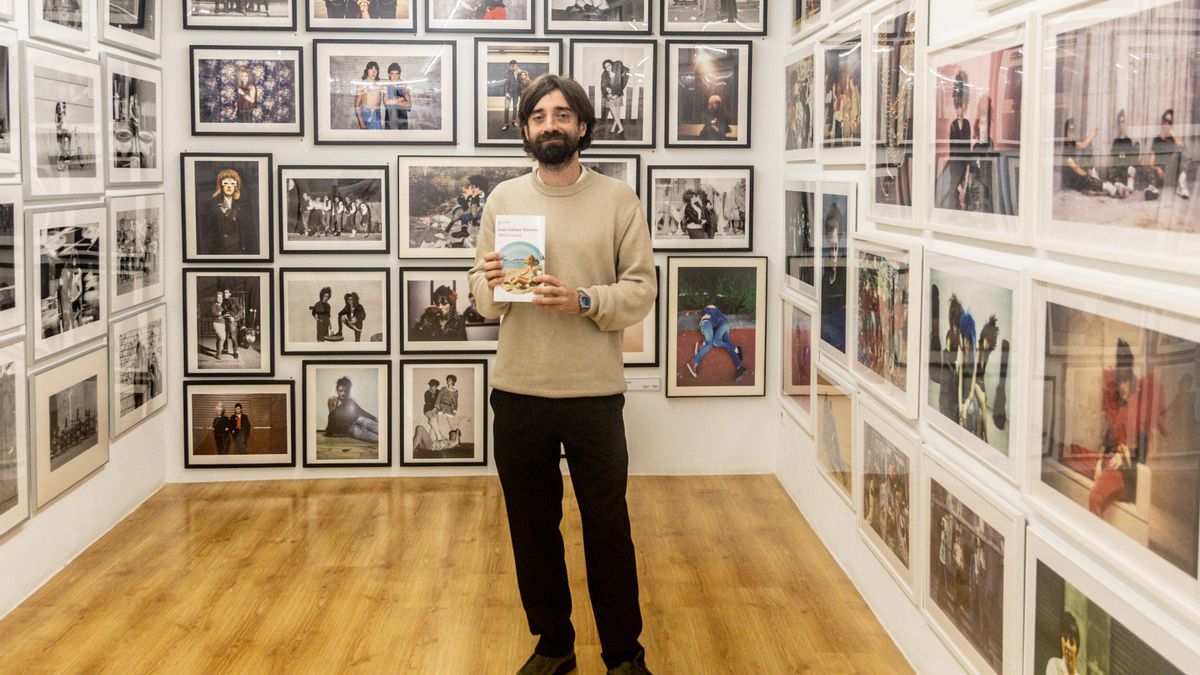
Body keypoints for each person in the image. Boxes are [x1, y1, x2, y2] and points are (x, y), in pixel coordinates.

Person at [467, 73, 656, 674]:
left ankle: (624, 656)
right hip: (518, 391)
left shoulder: (618, 200)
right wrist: (491, 284)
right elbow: (484, 297)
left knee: (608, 529)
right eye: (539, 116)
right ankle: (554, 646)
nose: (551, 124)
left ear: (582, 126)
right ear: (525, 129)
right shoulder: (503, 201)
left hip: (595, 395)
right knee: (532, 528)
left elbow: (641, 290)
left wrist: (583, 301)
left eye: (562, 114)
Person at [1087, 338, 1165, 516]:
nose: (1121, 386)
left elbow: (1141, 456)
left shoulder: (1141, 409)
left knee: (1096, 496)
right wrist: (1099, 462)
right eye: (1118, 382)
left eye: (1124, 381)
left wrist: (1123, 456)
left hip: (1125, 475)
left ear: (1132, 381)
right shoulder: (1118, 406)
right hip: (1108, 463)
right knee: (1068, 452)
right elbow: (1107, 441)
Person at [685, 302, 746, 382]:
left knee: (713, 342)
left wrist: (702, 318)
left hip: (720, 325)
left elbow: (702, 316)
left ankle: (694, 360)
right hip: (716, 324)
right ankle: (740, 366)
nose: (711, 306)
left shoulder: (712, 312)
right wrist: (702, 318)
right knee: (724, 343)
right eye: (710, 306)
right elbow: (703, 316)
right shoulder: (709, 312)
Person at [203, 168, 249, 256]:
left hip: (239, 250)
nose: (229, 186)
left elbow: (248, 230)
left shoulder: (242, 204)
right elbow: (207, 232)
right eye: (225, 183)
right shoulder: (212, 204)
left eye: (232, 183)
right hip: (220, 251)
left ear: (236, 185)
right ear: (220, 185)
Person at [1147, 108, 1191, 200]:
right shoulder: (1156, 140)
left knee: (1183, 150)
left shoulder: (1173, 139)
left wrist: (1172, 133)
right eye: (1165, 121)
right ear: (1162, 122)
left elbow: (1184, 151)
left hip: (1171, 173)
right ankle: (1152, 189)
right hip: (1160, 174)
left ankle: (1181, 186)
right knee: (1150, 170)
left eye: (1170, 122)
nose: (1166, 124)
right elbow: (1151, 163)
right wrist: (1157, 168)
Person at [325, 376, 379, 444]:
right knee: (379, 439)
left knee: (381, 429)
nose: (343, 393)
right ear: (337, 390)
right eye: (340, 391)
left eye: (345, 391)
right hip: (351, 429)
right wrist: (329, 431)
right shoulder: (332, 400)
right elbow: (331, 416)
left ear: (348, 391)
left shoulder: (350, 401)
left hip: (359, 419)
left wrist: (374, 418)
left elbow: (361, 411)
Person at [355, 61, 385, 130]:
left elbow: (392, 81)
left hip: (377, 113)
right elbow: (357, 104)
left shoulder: (380, 83)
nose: (373, 72)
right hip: (366, 113)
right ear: (367, 71)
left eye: (375, 70)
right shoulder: (362, 84)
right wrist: (361, 121)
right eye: (371, 69)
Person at [384, 63, 412, 130]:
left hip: (402, 120)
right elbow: (386, 102)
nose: (394, 76)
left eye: (396, 73)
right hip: (390, 119)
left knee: (403, 139)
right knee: (389, 138)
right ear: (389, 74)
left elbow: (409, 104)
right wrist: (401, 99)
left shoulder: (404, 86)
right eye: (392, 73)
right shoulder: (386, 86)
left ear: (399, 75)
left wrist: (393, 102)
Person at [222, 289, 244, 360]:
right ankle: (225, 349)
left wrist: (234, 318)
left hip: (232, 321)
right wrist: (224, 314)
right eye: (224, 292)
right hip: (225, 320)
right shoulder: (223, 301)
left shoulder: (234, 300)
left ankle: (235, 351)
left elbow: (240, 310)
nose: (225, 294)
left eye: (226, 292)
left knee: (233, 337)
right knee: (224, 335)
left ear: (230, 294)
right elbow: (223, 311)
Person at [503, 60, 524, 132]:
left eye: (514, 65)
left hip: (516, 93)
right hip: (509, 92)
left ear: (516, 65)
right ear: (510, 66)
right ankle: (506, 124)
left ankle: (514, 121)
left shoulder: (519, 72)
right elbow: (505, 83)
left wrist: (521, 90)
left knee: (515, 107)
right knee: (506, 108)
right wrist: (506, 92)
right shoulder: (507, 72)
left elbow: (521, 82)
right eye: (512, 65)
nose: (513, 66)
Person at [210, 291, 228, 358]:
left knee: (218, 339)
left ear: (222, 298)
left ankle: (217, 353)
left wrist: (225, 315)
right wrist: (222, 313)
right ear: (216, 298)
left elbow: (223, 314)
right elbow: (214, 313)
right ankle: (219, 354)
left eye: (221, 297)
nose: (220, 299)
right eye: (218, 297)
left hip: (222, 324)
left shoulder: (222, 306)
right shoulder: (214, 305)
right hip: (217, 323)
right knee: (222, 338)